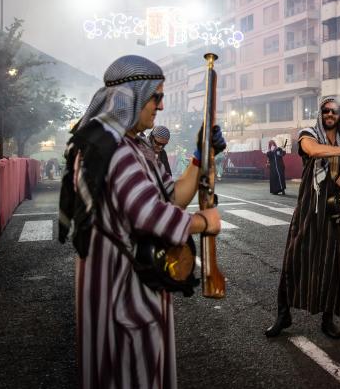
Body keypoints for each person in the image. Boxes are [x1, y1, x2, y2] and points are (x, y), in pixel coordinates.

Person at [58, 55, 225, 389]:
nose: (160, 106)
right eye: (156, 97)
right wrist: (203, 223)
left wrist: (199, 154)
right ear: (131, 95)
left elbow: (172, 196)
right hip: (120, 289)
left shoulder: (136, 146)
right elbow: (149, 214)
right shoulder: (111, 147)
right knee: (128, 373)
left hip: (137, 283)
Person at [265, 96, 340, 340]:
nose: (330, 114)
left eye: (335, 111)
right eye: (326, 110)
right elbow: (312, 150)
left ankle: (328, 319)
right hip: (311, 206)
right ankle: (283, 314)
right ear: (321, 113)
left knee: (335, 263)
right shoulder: (309, 133)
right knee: (295, 257)